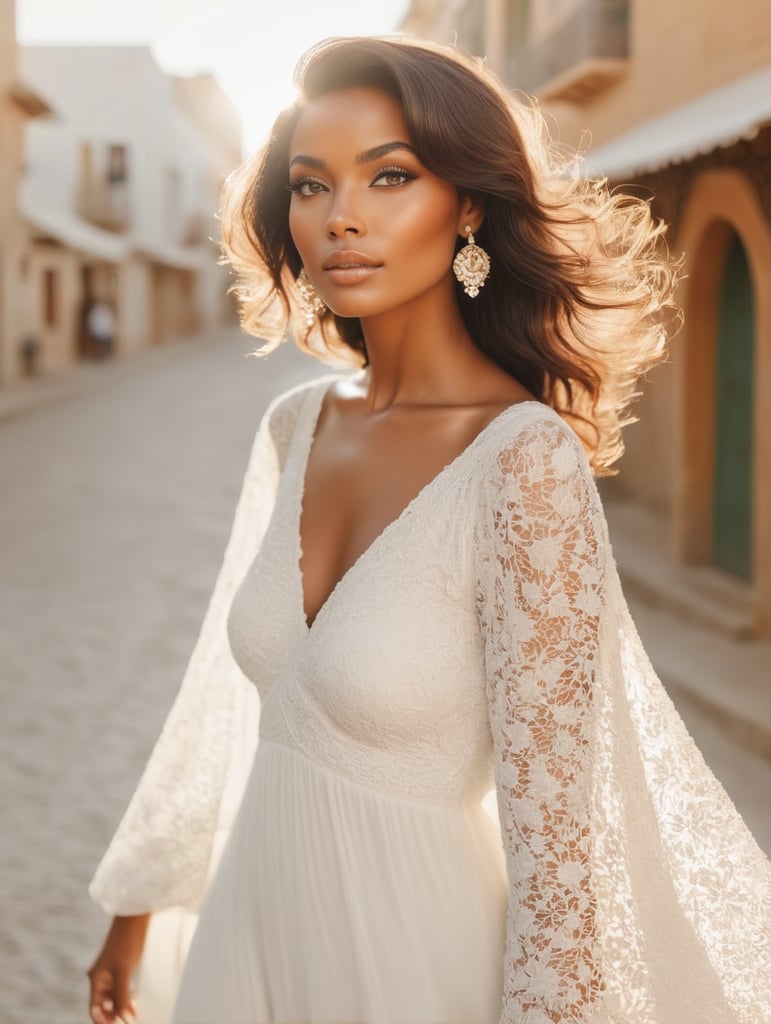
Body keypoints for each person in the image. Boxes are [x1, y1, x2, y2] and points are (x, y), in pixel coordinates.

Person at [86, 36, 771, 1024]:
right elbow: (221, 698)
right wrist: (141, 889)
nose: (342, 218)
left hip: (413, 966)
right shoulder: (294, 426)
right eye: (311, 186)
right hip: (247, 938)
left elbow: (561, 845)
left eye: (391, 176)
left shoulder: (524, 464)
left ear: (469, 206)